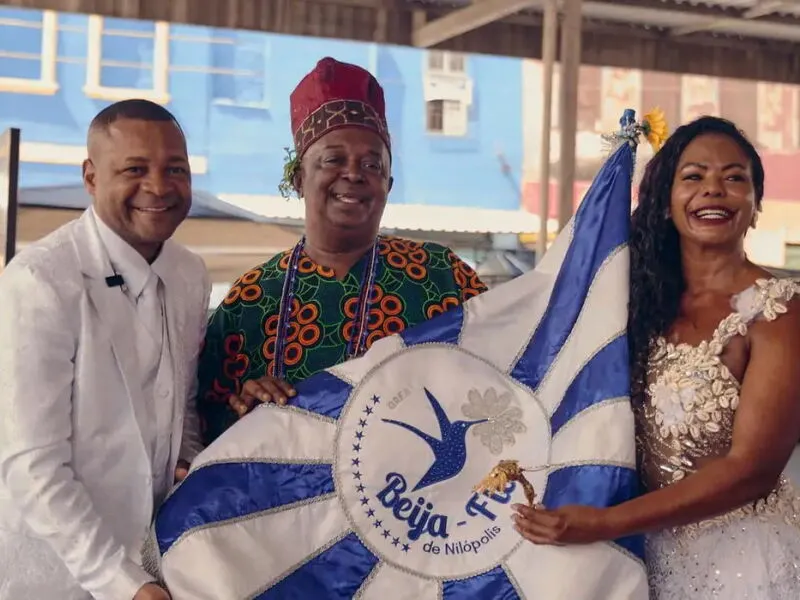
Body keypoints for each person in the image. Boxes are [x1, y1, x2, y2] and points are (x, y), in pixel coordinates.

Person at [512, 116, 800, 598]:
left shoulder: (778, 311)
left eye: (734, 178)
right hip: (640, 559)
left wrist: (604, 522)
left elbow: (752, 470)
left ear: (754, 205)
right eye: (694, 177)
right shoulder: (633, 302)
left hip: (746, 566)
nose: (714, 190)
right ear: (665, 202)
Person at [198, 57, 488, 443]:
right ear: (299, 178)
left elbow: (499, 383)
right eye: (334, 159)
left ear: (388, 182)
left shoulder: (443, 277)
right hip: (288, 501)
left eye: (372, 164)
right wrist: (244, 410)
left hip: (415, 497)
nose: (354, 174)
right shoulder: (250, 299)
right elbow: (202, 424)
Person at [0, 100, 210, 600]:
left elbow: (184, 411)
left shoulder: (189, 273)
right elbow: (32, 463)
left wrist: (197, 475)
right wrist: (124, 585)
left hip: (160, 569)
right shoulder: (41, 280)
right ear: (91, 177)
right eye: (135, 168)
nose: (158, 187)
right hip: (53, 581)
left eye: (175, 169)